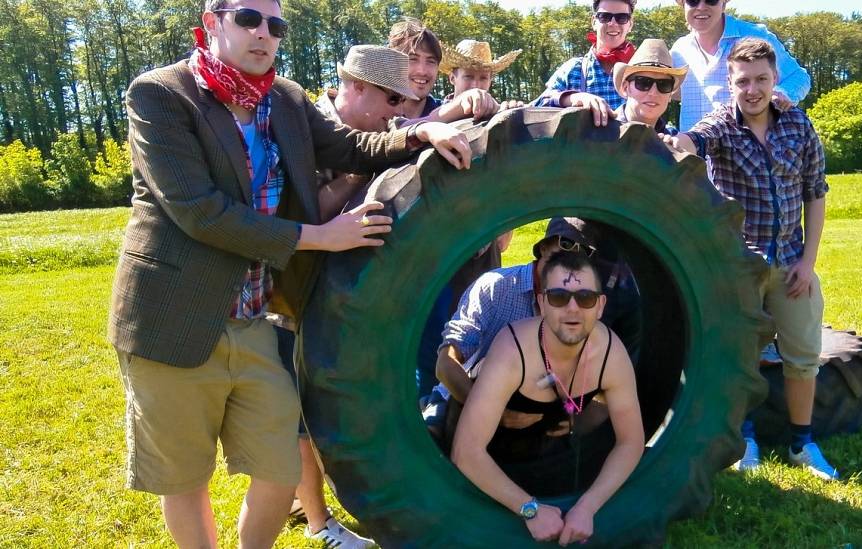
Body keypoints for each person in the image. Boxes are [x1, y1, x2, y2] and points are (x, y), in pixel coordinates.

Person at [107, 0, 472, 544]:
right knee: (186, 479)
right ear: (212, 22)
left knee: (278, 470)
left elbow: (352, 147)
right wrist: (320, 236)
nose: (264, 33)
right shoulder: (161, 94)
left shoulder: (285, 98)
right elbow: (198, 211)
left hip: (255, 317)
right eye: (248, 19)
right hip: (174, 319)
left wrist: (420, 135)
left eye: (275, 25)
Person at [662, 38, 837, 481]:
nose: (752, 90)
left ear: (775, 79)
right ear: (730, 83)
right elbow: (693, 140)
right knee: (740, 356)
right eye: (743, 81)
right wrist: (673, 142)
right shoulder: (722, 124)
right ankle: (745, 440)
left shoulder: (797, 123)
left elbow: (815, 192)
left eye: (761, 79)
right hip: (740, 268)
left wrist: (808, 262)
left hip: (791, 262)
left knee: (803, 356)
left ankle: (802, 444)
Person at [276, 44, 422, 548]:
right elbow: (306, 214)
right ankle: (320, 524)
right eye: (391, 98)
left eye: (404, 101)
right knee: (298, 417)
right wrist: (360, 176)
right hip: (287, 297)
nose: (397, 110)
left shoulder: (368, 132)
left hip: (331, 292)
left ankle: (304, 500)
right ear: (356, 86)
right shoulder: (307, 127)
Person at [452, 251, 644, 545]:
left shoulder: (610, 355)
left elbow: (631, 442)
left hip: (546, 455)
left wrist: (587, 507)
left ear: (600, 306)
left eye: (585, 298)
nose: (572, 309)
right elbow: (466, 452)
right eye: (558, 297)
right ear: (541, 303)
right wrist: (529, 509)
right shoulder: (512, 351)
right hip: (486, 467)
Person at [429, 219, 641, 440]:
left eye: (583, 253)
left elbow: (599, 388)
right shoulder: (495, 288)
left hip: (531, 425)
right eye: (567, 245)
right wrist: (493, 411)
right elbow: (445, 365)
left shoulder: (581, 308)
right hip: (464, 402)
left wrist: (574, 417)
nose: (572, 259)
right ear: (544, 247)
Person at [670, 0, 810, 131]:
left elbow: (799, 77)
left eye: (711, 0)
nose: (701, 7)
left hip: (748, 147)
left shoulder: (757, 36)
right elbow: (671, 94)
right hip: (692, 147)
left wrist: (781, 93)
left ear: (724, 3)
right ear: (683, 5)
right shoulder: (679, 50)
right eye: (693, 1)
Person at [535, 0, 638, 127]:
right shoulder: (574, 69)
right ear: (594, 22)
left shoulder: (641, 71)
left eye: (621, 18)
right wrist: (572, 98)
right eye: (605, 17)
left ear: (630, 24)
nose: (612, 23)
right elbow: (538, 105)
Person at [611, 38, 687, 134]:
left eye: (664, 84)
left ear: (670, 95)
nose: (653, 92)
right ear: (625, 88)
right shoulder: (599, 133)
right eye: (643, 83)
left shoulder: (674, 139)